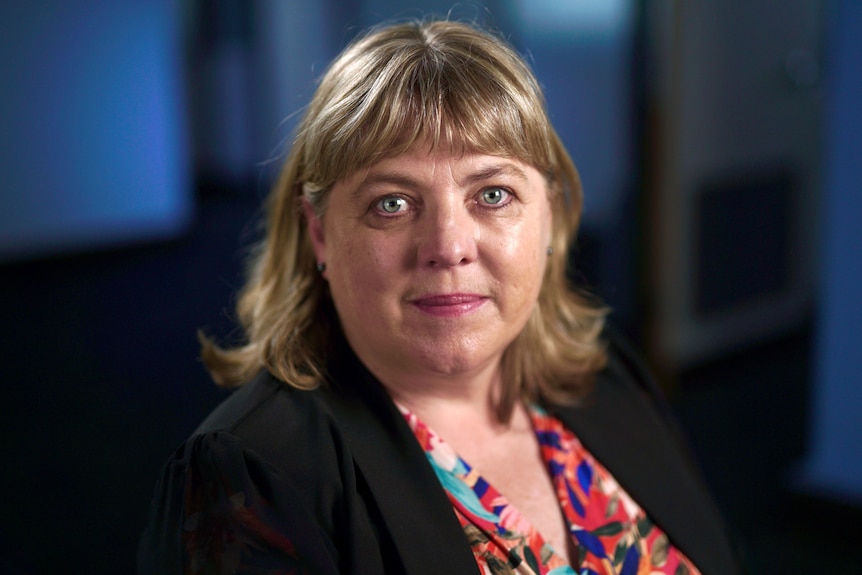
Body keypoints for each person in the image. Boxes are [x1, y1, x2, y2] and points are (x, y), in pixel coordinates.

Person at [139, 19, 741, 575]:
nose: (448, 246)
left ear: (549, 218)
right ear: (320, 232)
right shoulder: (245, 478)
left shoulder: (609, 376)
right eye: (391, 203)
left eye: (494, 194)